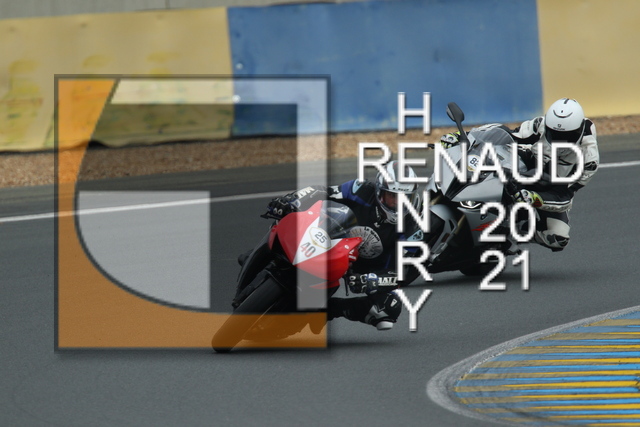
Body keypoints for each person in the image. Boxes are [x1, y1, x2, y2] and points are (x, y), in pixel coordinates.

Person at [263, 160, 424, 330]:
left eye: (405, 197)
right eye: (393, 196)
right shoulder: (361, 189)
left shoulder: (413, 228)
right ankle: (264, 254)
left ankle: (327, 311)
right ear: (380, 192)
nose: (398, 203)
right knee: (284, 218)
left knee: (389, 308)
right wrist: (291, 200)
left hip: (366, 269)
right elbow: (321, 191)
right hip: (334, 239)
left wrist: (374, 280)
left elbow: (401, 273)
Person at [440, 98, 599, 251]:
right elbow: (506, 134)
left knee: (558, 238)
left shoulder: (588, 161)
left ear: (579, 132)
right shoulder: (540, 125)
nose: (559, 142)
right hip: (531, 161)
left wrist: (534, 198)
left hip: (551, 188)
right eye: (554, 135)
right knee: (494, 159)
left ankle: (508, 235)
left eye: (567, 137)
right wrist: (463, 136)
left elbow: (564, 197)